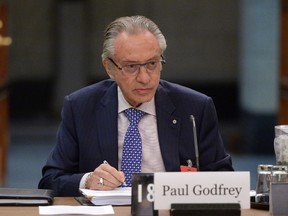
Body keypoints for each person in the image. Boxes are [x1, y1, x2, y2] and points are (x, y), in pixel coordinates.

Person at [38, 15, 234, 196]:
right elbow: (50, 180)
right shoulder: (81, 107)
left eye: (152, 64)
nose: (144, 78)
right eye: (131, 66)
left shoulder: (195, 108)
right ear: (109, 67)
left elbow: (224, 181)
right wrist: (88, 180)